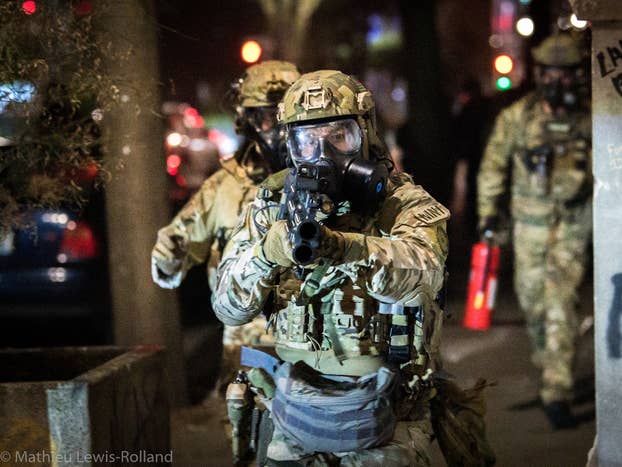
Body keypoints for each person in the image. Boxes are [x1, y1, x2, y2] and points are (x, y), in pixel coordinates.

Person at [212, 70, 452, 465]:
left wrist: (344, 247)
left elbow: (425, 272)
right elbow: (227, 307)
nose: (323, 155)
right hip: (293, 409)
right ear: (291, 146)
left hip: (387, 415)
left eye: (339, 137)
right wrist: (266, 253)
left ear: (365, 134)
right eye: (307, 140)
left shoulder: (404, 203)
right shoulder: (269, 207)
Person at [151, 60, 300, 394]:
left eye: (285, 116)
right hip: (248, 345)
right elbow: (174, 252)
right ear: (247, 122)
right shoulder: (224, 187)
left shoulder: (326, 182)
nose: (276, 129)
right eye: (265, 117)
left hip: (317, 343)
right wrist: (170, 252)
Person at [477, 32, 592, 429]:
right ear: (540, 73)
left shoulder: (590, 119)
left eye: (567, 74)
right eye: (551, 73)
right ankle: (549, 367)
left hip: (572, 225)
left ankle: (555, 390)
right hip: (527, 227)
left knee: (561, 304)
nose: (559, 81)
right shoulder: (519, 117)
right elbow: (493, 166)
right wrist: (488, 215)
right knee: (533, 305)